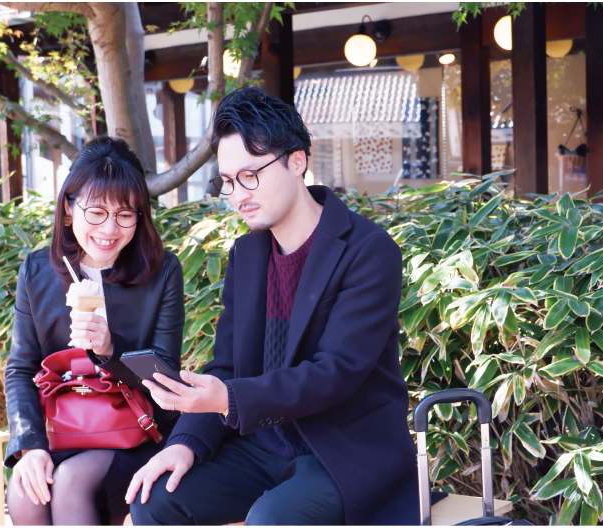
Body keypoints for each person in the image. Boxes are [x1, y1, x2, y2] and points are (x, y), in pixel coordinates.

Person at [126, 87, 418, 525]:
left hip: (343, 451)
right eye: (227, 181)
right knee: (155, 500)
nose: (238, 195)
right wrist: (185, 443)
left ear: (296, 161)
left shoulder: (368, 250)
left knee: (271, 519)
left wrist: (228, 398)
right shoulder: (247, 255)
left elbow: (335, 372)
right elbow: (227, 365)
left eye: (250, 175)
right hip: (262, 443)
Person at [4, 136, 184, 525]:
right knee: (25, 491)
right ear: (69, 209)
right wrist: (30, 447)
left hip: (137, 431)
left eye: (125, 214)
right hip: (66, 429)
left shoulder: (162, 271)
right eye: (97, 212)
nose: (109, 228)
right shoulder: (38, 271)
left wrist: (111, 351)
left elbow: (167, 374)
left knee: (70, 482)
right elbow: (21, 368)